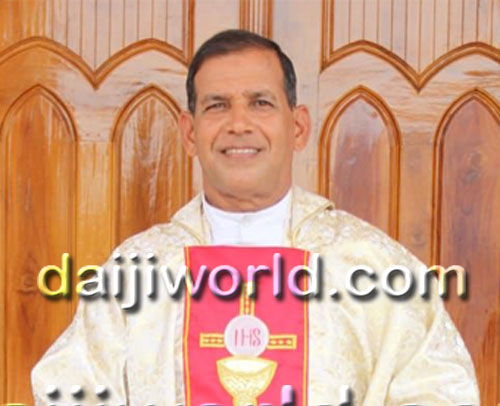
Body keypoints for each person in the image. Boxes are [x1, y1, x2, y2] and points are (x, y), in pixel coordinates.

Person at [32, 29, 479, 406]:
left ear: (297, 127)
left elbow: (439, 391)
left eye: (260, 103)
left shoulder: (373, 266)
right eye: (217, 105)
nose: (239, 124)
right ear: (189, 133)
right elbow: (69, 390)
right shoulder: (136, 272)